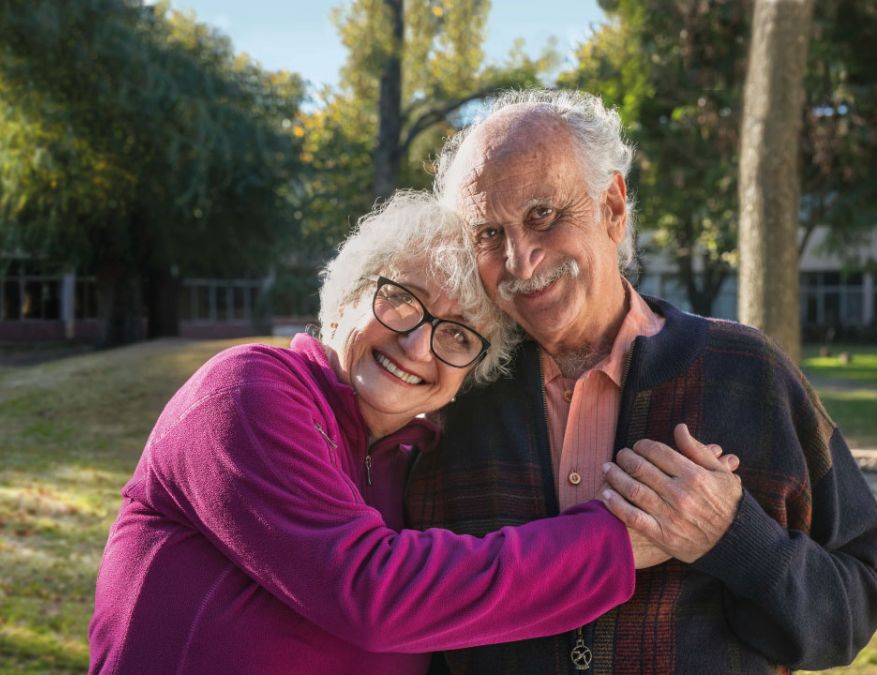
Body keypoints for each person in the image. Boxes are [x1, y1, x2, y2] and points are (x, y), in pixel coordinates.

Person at [88, 191, 689, 674]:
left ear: (468, 376)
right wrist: (617, 543)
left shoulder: (415, 464)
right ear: (347, 296)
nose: (417, 345)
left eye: (458, 336)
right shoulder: (248, 392)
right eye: (403, 301)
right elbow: (371, 593)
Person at [406, 90, 877, 673]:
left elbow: (854, 608)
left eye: (543, 214)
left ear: (612, 208)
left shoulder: (750, 374)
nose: (521, 261)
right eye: (489, 234)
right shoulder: (454, 395)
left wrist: (737, 540)